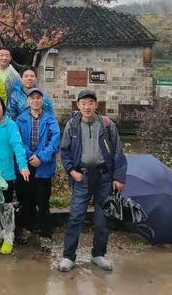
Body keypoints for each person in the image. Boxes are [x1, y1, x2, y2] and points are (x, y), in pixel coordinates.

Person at [58, 90, 127, 272]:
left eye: (90, 103)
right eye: (83, 103)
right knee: (76, 217)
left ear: (96, 105)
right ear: (78, 105)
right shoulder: (72, 125)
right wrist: (72, 171)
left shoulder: (106, 124)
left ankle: (98, 254)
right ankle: (68, 256)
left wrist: (119, 177)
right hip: (81, 177)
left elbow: (118, 152)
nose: (87, 107)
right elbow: (64, 151)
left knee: (102, 218)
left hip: (104, 177)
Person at [0, 95, 29, 255]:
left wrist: (23, 165)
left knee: (6, 207)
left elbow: (18, 145)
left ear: (3, 108)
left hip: (5, 174)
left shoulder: (10, 125)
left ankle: (8, 237)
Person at [15, 88, 60, 251]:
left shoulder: (50, 119)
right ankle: (26, 229)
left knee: (43, 201)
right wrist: (29, 156)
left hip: (43, 166)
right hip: (26, 166)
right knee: (25, 200)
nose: (35, 101)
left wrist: (41, 157)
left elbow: (55, 141)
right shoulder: (20, 119)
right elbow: (17, 140)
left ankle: (45, 234)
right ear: (28, 101)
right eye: (32, 98)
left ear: (42, 101)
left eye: (38, 98)